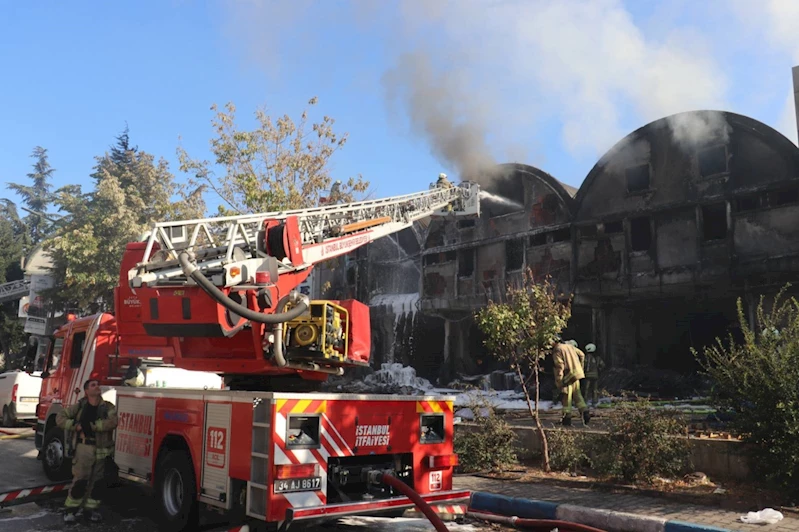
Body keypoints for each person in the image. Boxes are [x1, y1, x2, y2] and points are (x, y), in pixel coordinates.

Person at [57, 378, 118, 523]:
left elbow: (113, 422)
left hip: (101, 449)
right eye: (93, 385)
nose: (97, 387)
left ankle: (90, 510)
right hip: (84, 448)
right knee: (80, 481)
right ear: (87, 391)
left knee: (97, 483)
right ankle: (70, 511)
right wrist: (75, 426)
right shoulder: (79, 406)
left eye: (98, 384)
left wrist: (92, 426)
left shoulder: (108, 407)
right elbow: (60, 418)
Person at [552, 340, 590, 426]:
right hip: (576, 374)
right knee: (577, 395)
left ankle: (567, 419)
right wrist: (580, 367)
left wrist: (559, 380)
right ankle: (585, 413)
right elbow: (582, 354)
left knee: (566, 397)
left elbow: (559, 366)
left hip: (568, 376)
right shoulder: (569, 346)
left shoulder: (557, 349)